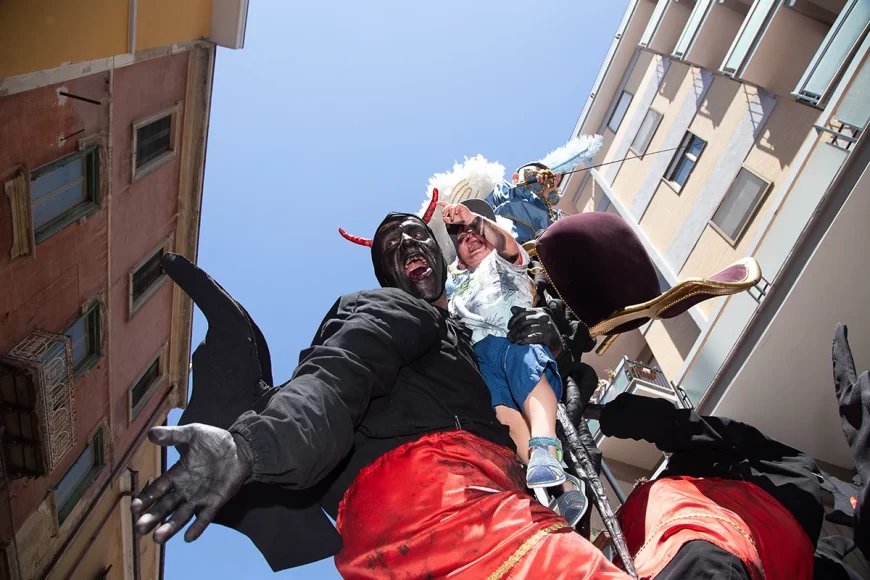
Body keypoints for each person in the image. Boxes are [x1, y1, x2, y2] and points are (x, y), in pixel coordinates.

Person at [132, 205, 630, 579]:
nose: (408, 245)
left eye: (417, 235)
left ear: (437, 252)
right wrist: (251, 445)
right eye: (391, 246)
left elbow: (535, 381)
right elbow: (342, 369)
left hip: (475, 509)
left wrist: (551, 340)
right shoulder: (390, 309)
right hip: (443, 508)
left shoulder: (472, 334)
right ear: (385, 277)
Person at [580, 324, 870, 580]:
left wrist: (603, 415)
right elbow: (691, 430)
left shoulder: (720, 475)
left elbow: (686, 429)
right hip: (719, 542)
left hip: (715, 542)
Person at [442, 199, 587, 526]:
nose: (470, 238)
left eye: (475, 232)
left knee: (527, 368)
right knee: (500, 414)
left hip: (514, 334)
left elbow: (507, 245)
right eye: (461, 238)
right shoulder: (458, 289)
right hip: (481, 355)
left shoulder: (505, 261)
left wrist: (474, 220)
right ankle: (558, 488)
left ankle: (546, 447)